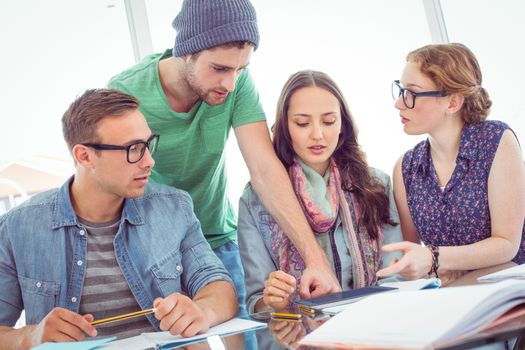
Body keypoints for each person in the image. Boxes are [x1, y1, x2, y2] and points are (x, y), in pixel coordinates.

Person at [107, 0, 340, 316]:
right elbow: (111, 186)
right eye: (219, 68)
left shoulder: (237, 84)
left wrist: (316, 260)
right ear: (186, 52)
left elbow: (265, 170)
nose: (230, 83)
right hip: (152, 250)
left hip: (218, 239)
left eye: (240, 69)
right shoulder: (125, 92)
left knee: (246, 337)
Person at [0, 89, 237, 348]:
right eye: (133, 149)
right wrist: (29, 336)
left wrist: (202, 311)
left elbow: (219, 287)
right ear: (85, 156)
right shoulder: (18, 227)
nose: (149, 161)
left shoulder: (174, 207)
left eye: (148, 144)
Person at [238, 70, 403, 314]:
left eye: (328, 121)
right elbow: (256, 302)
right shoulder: (255, 199)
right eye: (302, 123)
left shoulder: (377, 185)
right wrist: (275, 302)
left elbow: (395, 277)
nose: (317, 134)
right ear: (285, 127)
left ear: (342, 126)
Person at [377, 43, 525, 284]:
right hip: (449, 296)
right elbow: (413, 256)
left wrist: (436, 258)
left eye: (412, 93)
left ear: (453, 102)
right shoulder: (405, 167)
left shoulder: (496, 141)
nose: (399, 103)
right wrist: (412, 267)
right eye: (401, 90)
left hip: (509, 294)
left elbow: (507, 245)